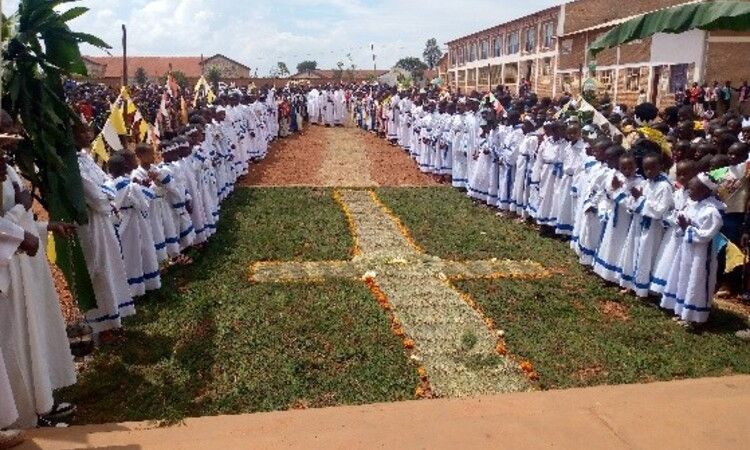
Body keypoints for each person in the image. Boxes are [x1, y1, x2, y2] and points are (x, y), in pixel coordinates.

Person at [74, 123, 134, 339]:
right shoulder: (73, 166)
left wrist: (106, 194)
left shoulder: (85, 158)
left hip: (103, 220)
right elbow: (98, 199)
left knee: (110, 265)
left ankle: (113, 318)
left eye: (89, 130)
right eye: (82, 131)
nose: (89, 134)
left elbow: (107, 181)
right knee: (98, 269)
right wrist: (107, 195)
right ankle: (101, 326)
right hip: (90, 224)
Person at [661, 173, 725, 331]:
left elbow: (706, 235)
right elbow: (681, 220)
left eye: (692, 189)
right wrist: (680, 223)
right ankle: (683, 310)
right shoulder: (691, 203)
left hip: (701, 255)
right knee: (684, 277)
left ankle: (696, 317)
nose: (688, 191)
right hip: (686, 249)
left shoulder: (712, 212)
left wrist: (687, 228)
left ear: (704, 191)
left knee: (697, 280)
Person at [103, 150, 161, 297]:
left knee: (124, 255)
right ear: (125, 167)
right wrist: (149, 186)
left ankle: (127, 288)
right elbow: (145, 202)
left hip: (117, 221)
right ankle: (142, 287)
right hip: (133, 222)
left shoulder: (106, 185)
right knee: (138, 252)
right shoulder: (131, 186)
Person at [619, 152, 674, 297]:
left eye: (652, 168)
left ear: (660, 167)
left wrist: (641, 199)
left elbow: (660, 210)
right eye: (646, 169)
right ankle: (631, 283)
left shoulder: (664, 187)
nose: (649, 172)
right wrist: (634, 199)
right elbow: (632, 203)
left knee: (646, 255)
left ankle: (642, 288)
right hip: (638, 223)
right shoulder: (645, 183)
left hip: (652, 228)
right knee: (634, 251)